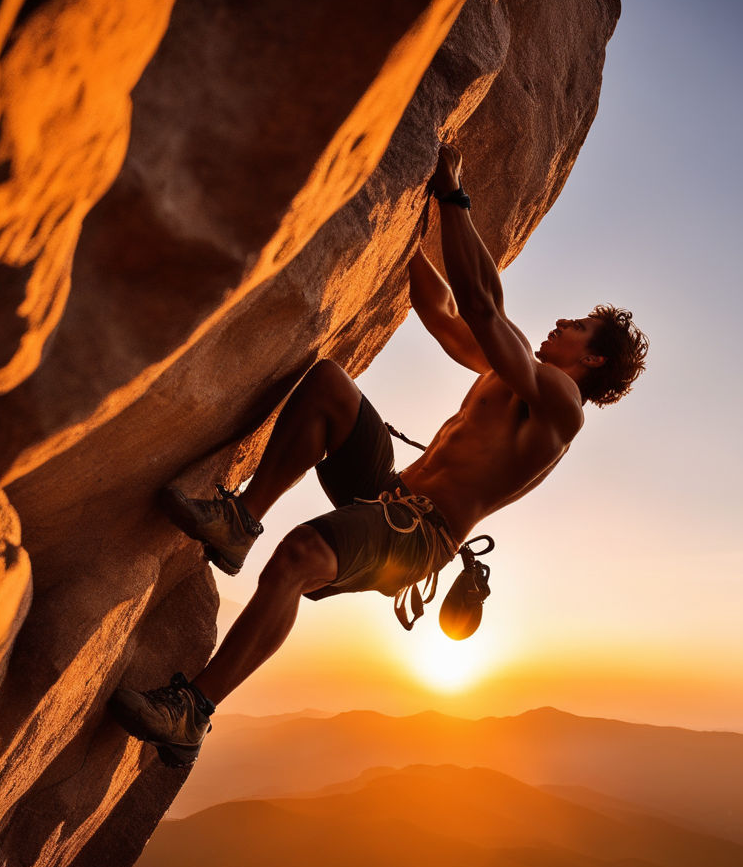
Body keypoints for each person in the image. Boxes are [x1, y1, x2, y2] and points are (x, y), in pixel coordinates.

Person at [109, 143, 648, 767]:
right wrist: (404, 234)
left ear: (594, 359)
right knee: (331, 386)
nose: (564, 322)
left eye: (579, 327)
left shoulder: (560, 403)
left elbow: (483, 306)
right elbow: (444, 314)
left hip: (419, 536)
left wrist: (452, 193)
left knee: (300, 557)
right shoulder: (514, 375)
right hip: (389, 490)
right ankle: (238, 523)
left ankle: (191, 714)